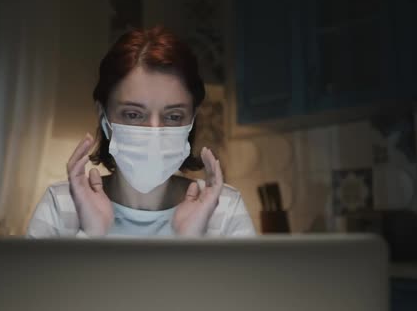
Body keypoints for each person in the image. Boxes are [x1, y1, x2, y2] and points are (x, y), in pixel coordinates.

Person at [27, 26, 255, 238]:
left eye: (173, 116)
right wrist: (92, 236)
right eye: (134, 114)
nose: (154, 132)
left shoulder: (222, 207)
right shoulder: (61, 203)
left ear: (191, 120)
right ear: (104, 116)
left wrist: (189, 244)